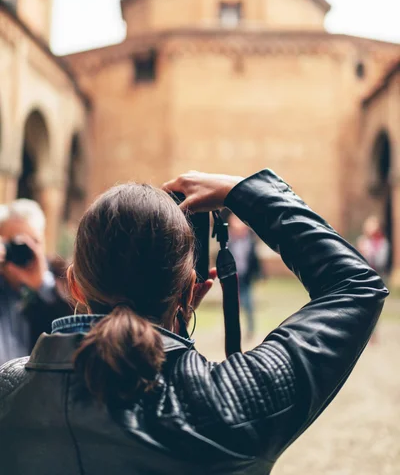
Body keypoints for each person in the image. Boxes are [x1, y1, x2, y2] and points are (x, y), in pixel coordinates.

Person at [0, 169, 388, 475]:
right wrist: (245, 192)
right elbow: (355, 286)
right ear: (190, 292)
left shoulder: (9, 392)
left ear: (75, 287)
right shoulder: (234, 403)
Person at [0, 199, 71, 366]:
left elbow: (73, 328)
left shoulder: (60, 278)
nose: (24, 251)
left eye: (33, 243)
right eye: (15, 243)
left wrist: (42, 286)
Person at [228, 213, 261, 338]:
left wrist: (258, 274)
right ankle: (232, 331)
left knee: (248, 303)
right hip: (233, 277)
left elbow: (254, 260)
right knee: (232, 305)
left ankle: (250, 330)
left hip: (245, 277)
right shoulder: (229, 241)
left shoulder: (250, 241)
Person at [357, 215, 390, 281]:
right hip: (364, 273)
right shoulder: (362, 241)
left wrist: (369, 254)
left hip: (379, 274)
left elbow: (381, 261)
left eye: (373, 226)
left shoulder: (383, 242)